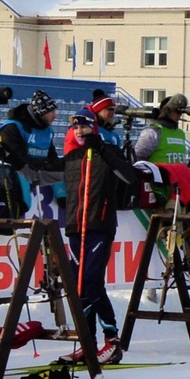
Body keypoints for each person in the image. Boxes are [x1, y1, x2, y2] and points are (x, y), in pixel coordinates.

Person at [61, 93, 145, 364]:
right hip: (76, 227)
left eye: (84, 126)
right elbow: (42, 172)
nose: (80, 131)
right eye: (76, 127)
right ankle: (88, 341)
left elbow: (129, 176)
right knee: (79, 286)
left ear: (94, 127)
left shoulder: (105, 152)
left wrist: (104, 150)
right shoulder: (72, 157)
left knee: (90, 282)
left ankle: (112, 340)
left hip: (100, 225)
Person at [0, 90, 67, 218]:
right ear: (41, 112)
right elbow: (18, 159)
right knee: (24, 194)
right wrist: (44, 165)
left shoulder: (48, 131)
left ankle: (64, 199)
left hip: (37, 169)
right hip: (14, 169)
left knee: (68, 173)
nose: (55, 116)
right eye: (52, 112)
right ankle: (14, 217)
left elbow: (53, 158)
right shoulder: (13, 128)